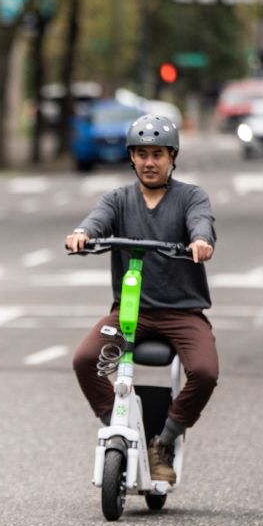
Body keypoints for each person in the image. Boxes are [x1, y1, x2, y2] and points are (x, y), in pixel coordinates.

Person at [65, 114, 218, 484]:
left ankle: (164, 441)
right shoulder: (117, 199)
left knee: (205, 371)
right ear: (131, 158)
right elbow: (96, 221)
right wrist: (82, 234)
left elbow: (202, 221)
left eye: (158, 154)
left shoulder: (191, 196)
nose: (150, 162)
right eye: (142, 154)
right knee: (85, 359)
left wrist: (200, 240)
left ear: (172, 157)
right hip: (130, 311)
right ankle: (117, 425)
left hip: (183, 312)